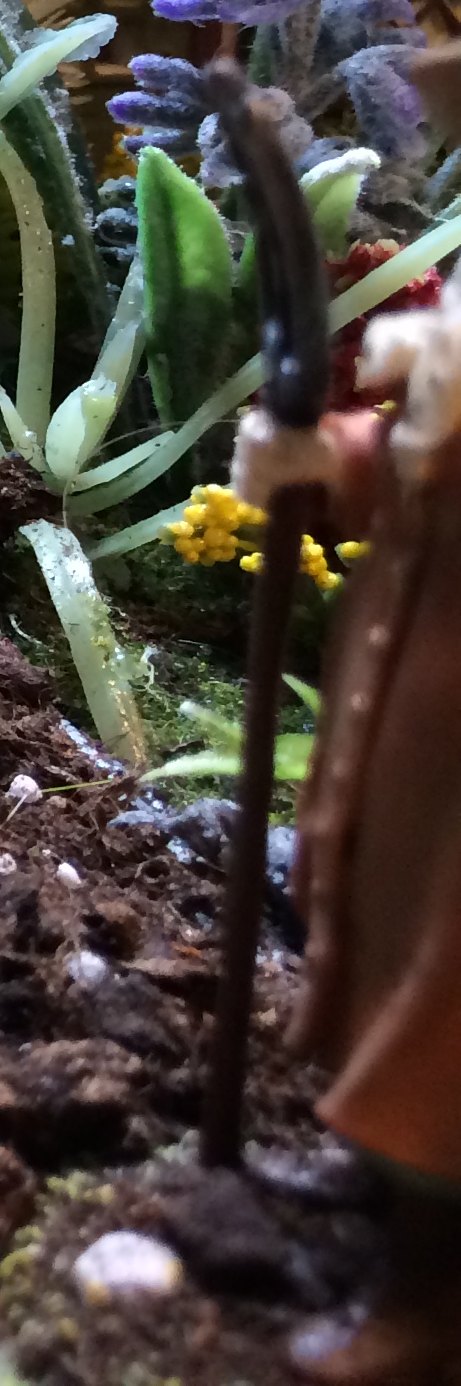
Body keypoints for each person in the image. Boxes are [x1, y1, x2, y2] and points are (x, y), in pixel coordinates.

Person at [286, 274, 461, 1382]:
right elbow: (412, 463)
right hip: (414, 733)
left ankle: (431, 1296)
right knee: (386, 934)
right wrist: (334, 456)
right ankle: (380, 1184)